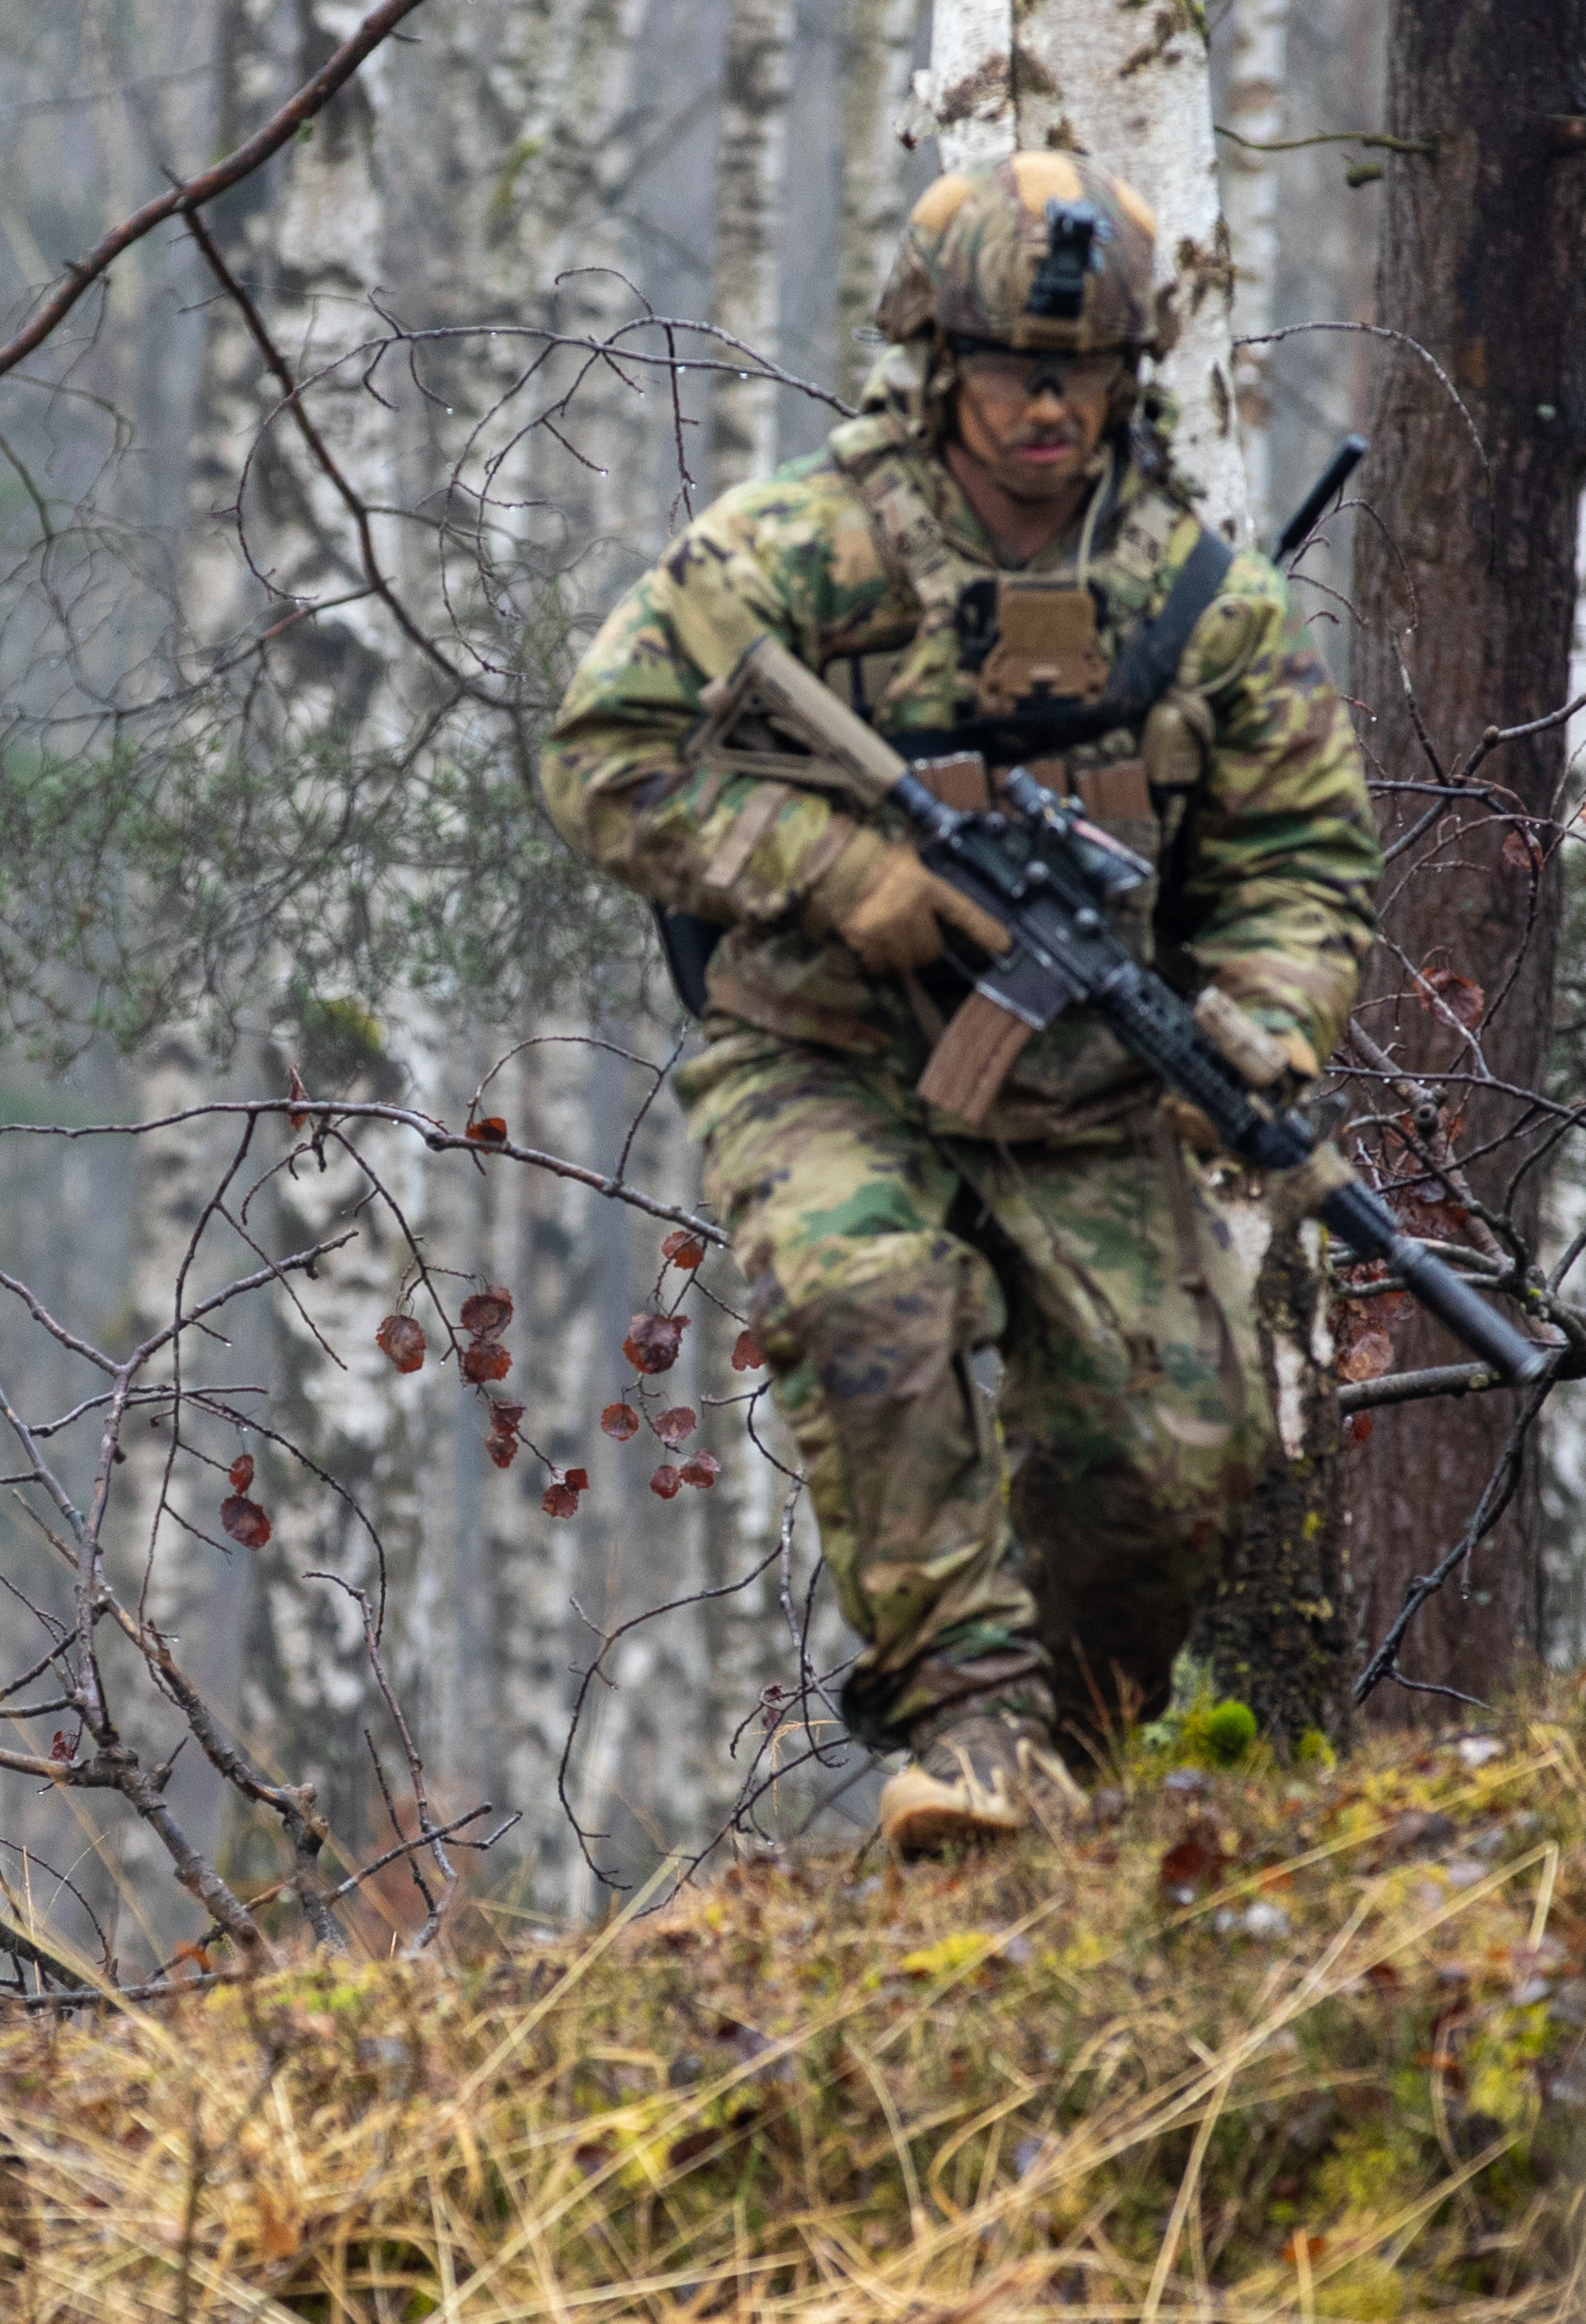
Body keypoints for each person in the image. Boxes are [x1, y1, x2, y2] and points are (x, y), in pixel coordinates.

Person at [535, 151, 1383, 1856]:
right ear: (938, 366)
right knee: (873, 1303)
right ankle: (970, 1731)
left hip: (1082, 1096)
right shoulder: (794, 553)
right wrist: (847, 877)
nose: (1046, 409)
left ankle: (1052, 1782)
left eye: (1081, 376)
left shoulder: (1209, 608)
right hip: (824, 1055)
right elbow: (604, 761)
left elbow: (1303, 854)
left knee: (1170, 1466)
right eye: (1011, 371)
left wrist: (1266, 1018)